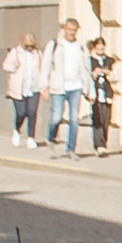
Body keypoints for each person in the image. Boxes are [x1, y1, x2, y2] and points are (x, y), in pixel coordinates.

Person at [43, 20, 86, 158]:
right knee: (56, 117)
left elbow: (85, 68)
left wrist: (88, 89)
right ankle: (50, 139)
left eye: (74, 30)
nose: (71, 33)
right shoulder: (55, 44)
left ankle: (71, 149)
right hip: (58, 87)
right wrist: (44, 87)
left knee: (74, 119)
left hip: (75, 87)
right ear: (64, 29)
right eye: (69, 29)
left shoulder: (80, 46)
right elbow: (46, 66)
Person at [3, 35, 41, 144]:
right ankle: (17, 129)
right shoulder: (16, 52)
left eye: (32, 46)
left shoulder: (37, 53)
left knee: (32, 112)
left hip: (33, 87)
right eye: (27, 46)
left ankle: (31, 137)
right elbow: (5, 65)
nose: (30, 48)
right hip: (19, 88)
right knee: (21, 113)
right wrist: (14, 67)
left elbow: (41, 67)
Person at [86, 32, 113, 156]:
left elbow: (117, 77)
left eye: (102, 49)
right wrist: (94, 73)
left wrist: (109, 73)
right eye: (98, 49)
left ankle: (104, 143)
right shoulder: (90, 60)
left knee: (106, 120)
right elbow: (87, 76)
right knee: (97, 119)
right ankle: (99, 145)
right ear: (94, 48)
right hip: (95, 94)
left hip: (107, 94)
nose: (101, 51)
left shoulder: (110, 60)